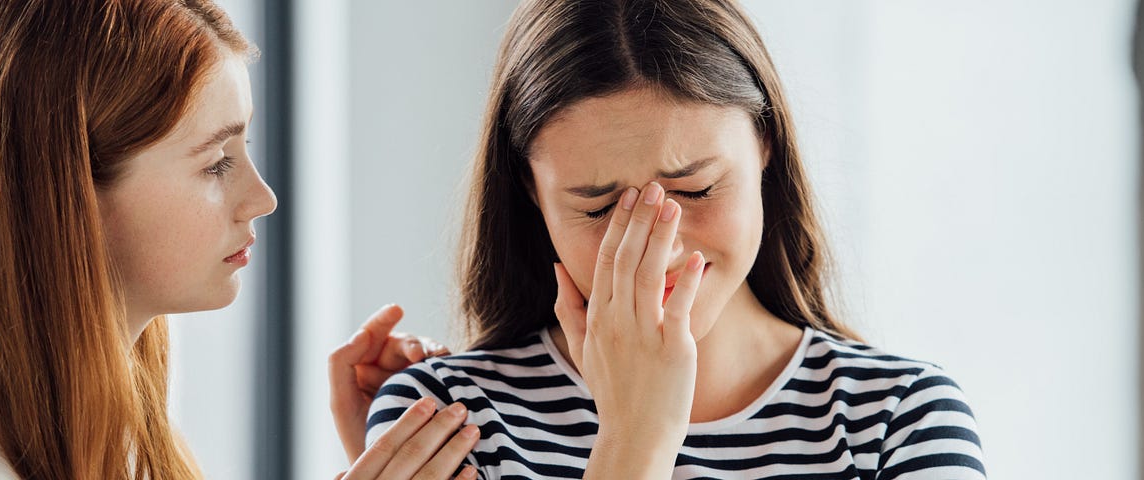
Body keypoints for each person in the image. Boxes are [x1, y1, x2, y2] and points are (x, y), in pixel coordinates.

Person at [0, 1, 460, 478]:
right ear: (66, 196)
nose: (261, 198)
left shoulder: (113, 447)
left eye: (247, 148)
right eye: (215, 163)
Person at [363, 0, 988, 478]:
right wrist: (635, 441)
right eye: (599, 205)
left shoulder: (899, 416)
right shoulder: (446, 418)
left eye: (696, 191)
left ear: (765, 147)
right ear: (530, 190)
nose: (657, 245)